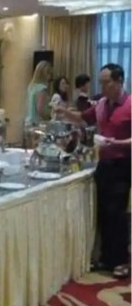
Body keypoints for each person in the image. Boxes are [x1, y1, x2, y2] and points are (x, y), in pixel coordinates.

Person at [58, 64, 131, 279]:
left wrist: (116, 142)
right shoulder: (101, 105)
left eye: (107, 82)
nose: (103, 86)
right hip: (104, 163)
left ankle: (122, 260)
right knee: (103, 211)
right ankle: (107, 258)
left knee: (117, 213)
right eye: (101, 82)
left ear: (119, 81)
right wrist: (64, 112)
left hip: (123, 163)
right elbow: (83, 118)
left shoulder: (130, 104)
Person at [25, 60, 52, 126]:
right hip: (36, 124)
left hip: (28, 122)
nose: (50, 76)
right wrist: (50, 116)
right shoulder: (42, 89)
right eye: (49, 73)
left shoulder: (31, 87)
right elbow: (40, 110)